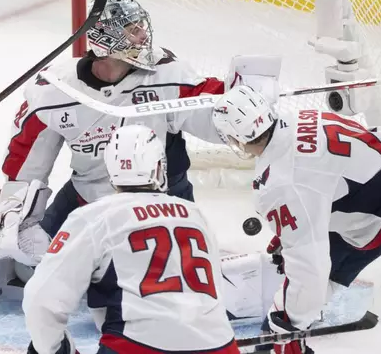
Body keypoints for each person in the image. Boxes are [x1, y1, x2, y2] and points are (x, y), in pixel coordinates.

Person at [0, 0, 282, 291]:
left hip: (164, 198)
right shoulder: (55, 91)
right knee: (28, 272)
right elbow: (26, 159)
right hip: (88, 194)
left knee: (162, 284)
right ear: (104, 40)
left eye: (141, 25)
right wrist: (17, 216)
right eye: (131, 28)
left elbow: (210, 113)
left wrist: (240, 106)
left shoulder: (166, 74)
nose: (143, 35)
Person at [22, 124, 240, 354]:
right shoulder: (196, 214)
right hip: (221, 346)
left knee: (42, 346)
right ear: (159, 168)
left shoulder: (95, 216)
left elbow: (41, 299)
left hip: (136, 346)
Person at [212, 85, 381, 354]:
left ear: (235, 139)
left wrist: (289, 328)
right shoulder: (302, 116)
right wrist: (290, 230)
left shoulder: (280, 183)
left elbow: (310, 266)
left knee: (296, 300)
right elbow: (326, 179)